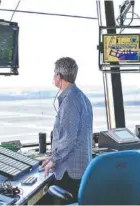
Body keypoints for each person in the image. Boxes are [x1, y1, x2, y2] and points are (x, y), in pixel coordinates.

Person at [41, 57, 93, 203]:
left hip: (70, 172)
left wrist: (55, 160)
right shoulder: (82, 97)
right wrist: (52, 158)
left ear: (59, 76)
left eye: (54, 74)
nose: (53, 77)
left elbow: (68, 139)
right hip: (80, 169)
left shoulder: (70, 100)